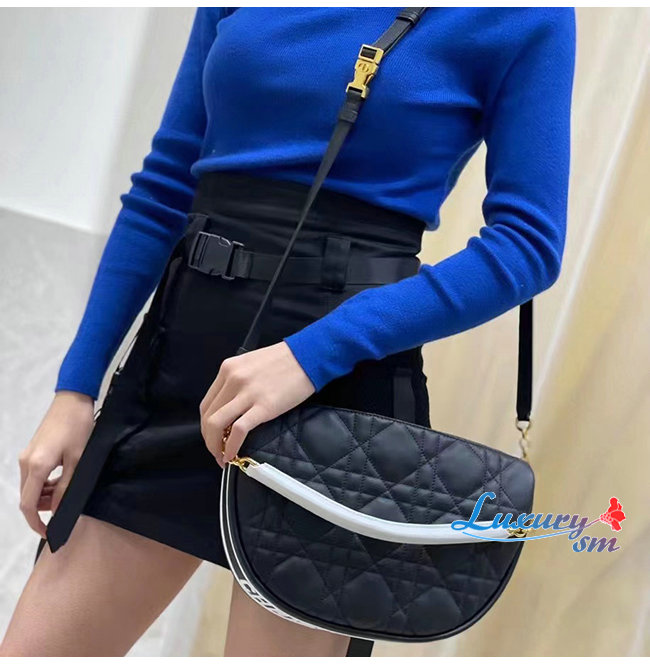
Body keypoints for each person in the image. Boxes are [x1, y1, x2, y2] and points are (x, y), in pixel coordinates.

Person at [1, 7, 576, 657]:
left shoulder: (522, 16)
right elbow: (164, 190)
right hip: (176, 371)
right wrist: (75, 390)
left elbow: (527, 244)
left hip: (341, 401)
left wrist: (311, 355)